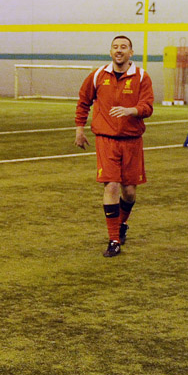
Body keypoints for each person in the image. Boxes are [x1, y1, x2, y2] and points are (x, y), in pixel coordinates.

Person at [74, 35, 154, 257]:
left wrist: (132, 110)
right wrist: (79, 129)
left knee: (129, 193)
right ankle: (114, 240)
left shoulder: (141, 77)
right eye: (115, 47)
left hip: (132, 141)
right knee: (111, 186)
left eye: (124, 47)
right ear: (110, 52)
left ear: (131, 52)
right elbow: (83, 101)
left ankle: (122, 224)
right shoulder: (98, 75)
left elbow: (148, 106)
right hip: (106, 140)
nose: (119, 50)